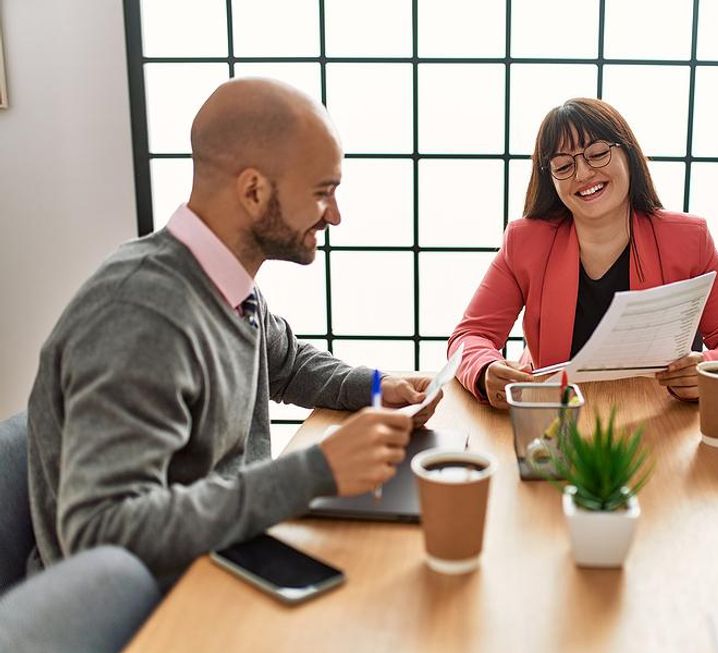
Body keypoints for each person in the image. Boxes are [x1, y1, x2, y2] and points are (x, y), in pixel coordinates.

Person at [26, 78, 441, 584]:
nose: (334, 215)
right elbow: (102, 532)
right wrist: (315, 471)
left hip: (220, 560)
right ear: (253, 190)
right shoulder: (140, 315)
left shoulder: (222, 281)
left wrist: (377, 388)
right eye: (322, 193)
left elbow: (285, 364)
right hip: (134, 612)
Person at [449, 98, 718, 408]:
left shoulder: (687, 238)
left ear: (628, 153)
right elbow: (471, 335)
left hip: (658, 418)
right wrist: (485, 369)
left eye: (597, 153)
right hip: (556, 417)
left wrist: (708, 367)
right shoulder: (526, 241)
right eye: (563, 165)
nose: (583, 174)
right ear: (551, 179)